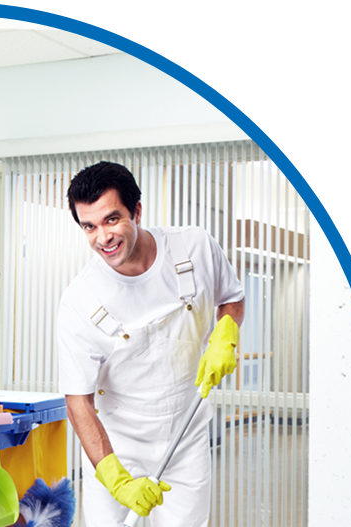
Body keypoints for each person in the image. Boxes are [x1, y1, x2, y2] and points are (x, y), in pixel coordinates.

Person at [58, 161, 245, 526]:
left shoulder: (194, 248)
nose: (102, 237)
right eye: (89, 227)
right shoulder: (80, 300)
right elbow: (77, 401)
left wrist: (226, 333)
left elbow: (231, 297)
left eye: (112, 219)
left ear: (137, 211)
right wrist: (115, 478)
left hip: (186, 440)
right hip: (116, 446)